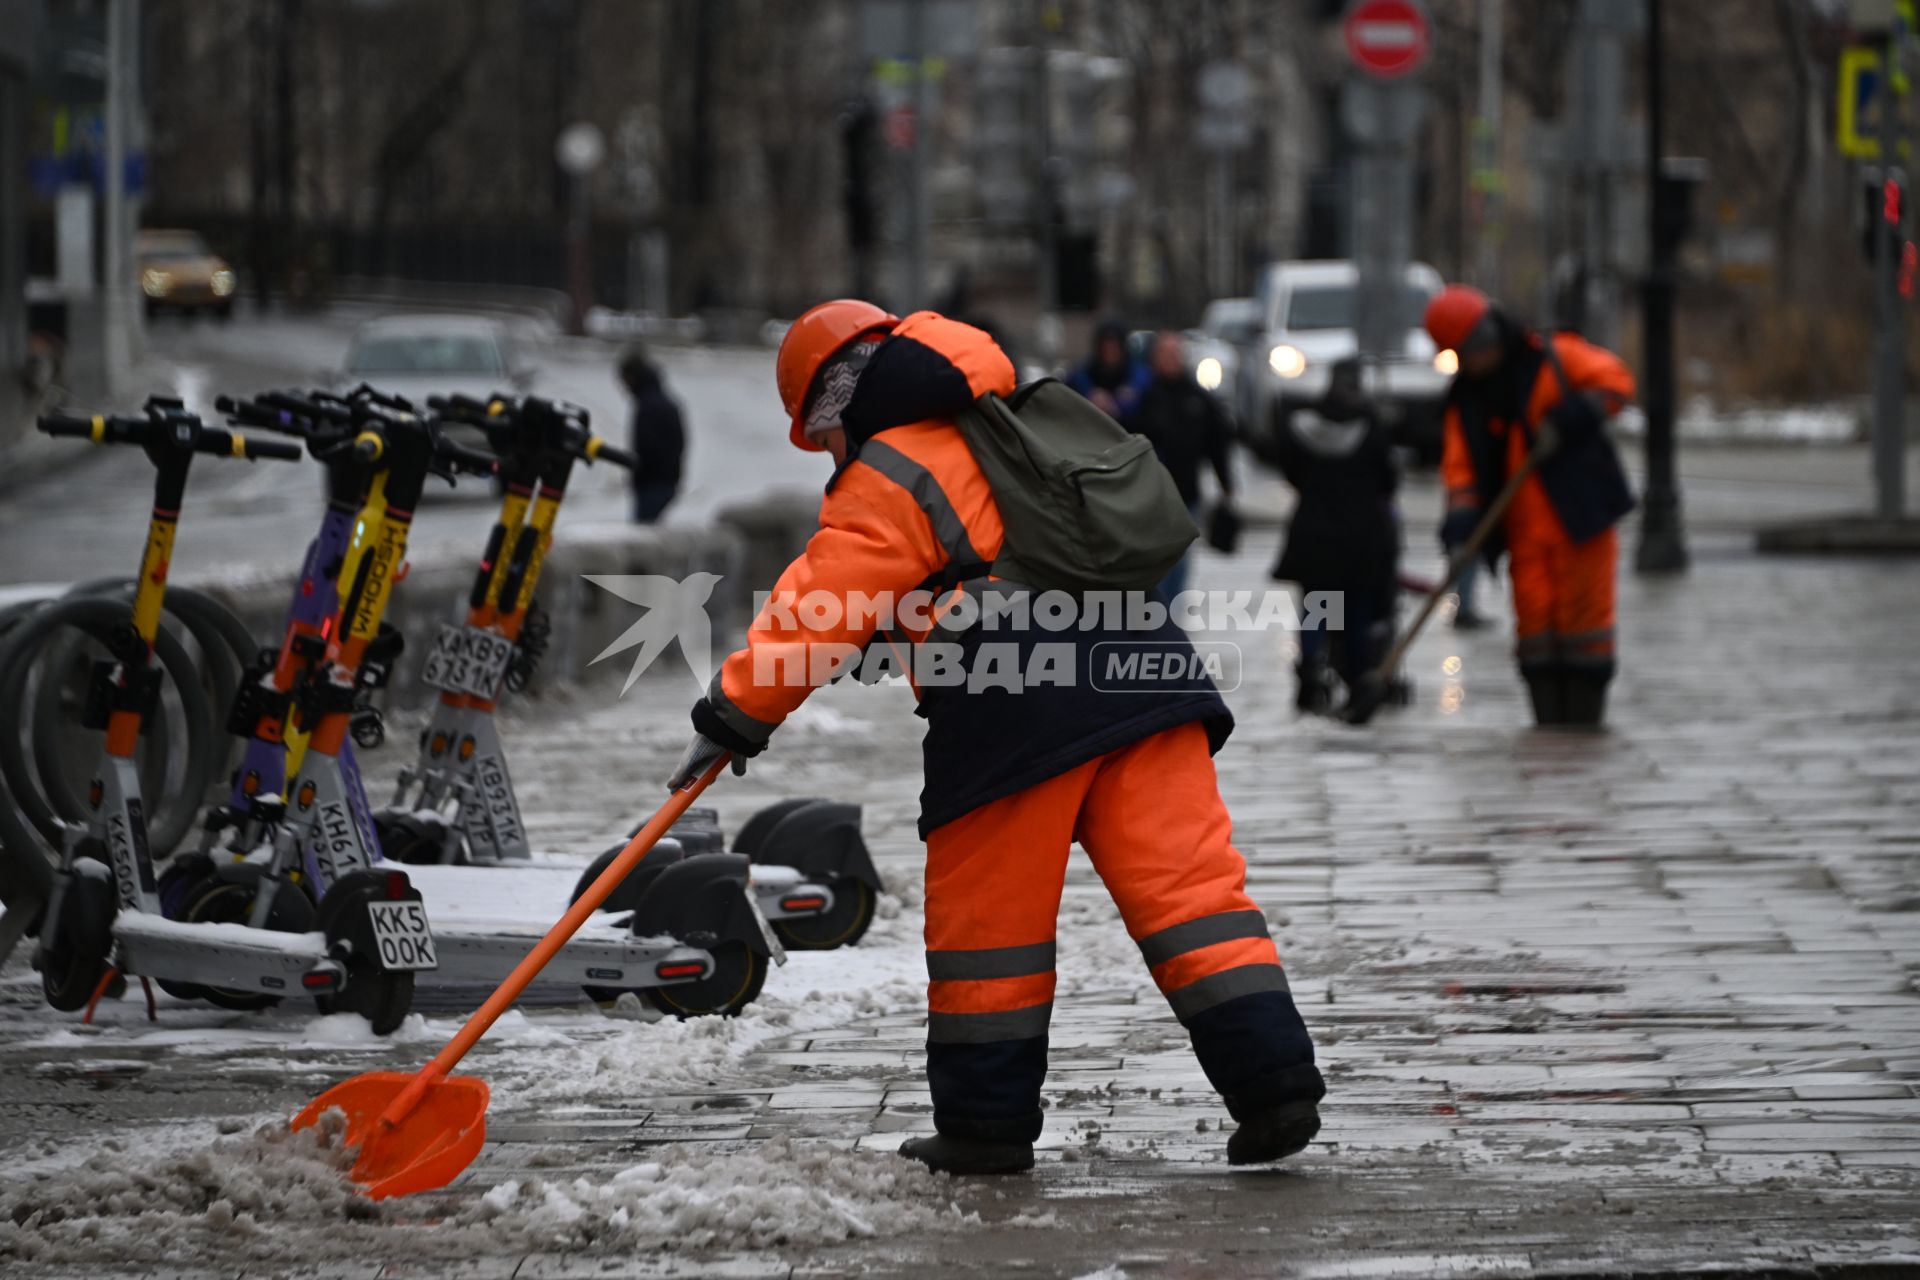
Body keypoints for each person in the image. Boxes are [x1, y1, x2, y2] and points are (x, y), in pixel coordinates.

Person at [667, 300, 1325, 1176]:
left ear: (835, 402)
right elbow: (992, 557)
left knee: (990, 926)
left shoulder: (892, 467)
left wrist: (731, 716)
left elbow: (814, 610)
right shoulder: (1018, 420)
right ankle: (1277, 1086)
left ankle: (985, 1124)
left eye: (822, 435)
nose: (829, 453)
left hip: (1016, 716)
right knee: (1194, 896)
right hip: (1147, 680)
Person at [1424, 285, 1636, 727]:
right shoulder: (1467, 400)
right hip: (1523, 530)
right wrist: (1460, 529)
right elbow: (1461, 472)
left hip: (1581, 517)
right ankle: (1547, 718)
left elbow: (1616, 382)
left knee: (1585, 617)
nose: (1474, 361)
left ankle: (1584, 717)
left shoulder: (1555, 357)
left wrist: (1569, 420)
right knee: (1535, 623)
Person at [1269, 358, 1400, 713]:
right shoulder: (1371, 426)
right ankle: (1357, 677)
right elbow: (1387, 479)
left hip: (1315, 531)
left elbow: (1291, 470)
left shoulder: (1303, 425)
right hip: (1360, 535)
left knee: (1316, 607)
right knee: (1356, 608)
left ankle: (1311, 672)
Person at [1129, 331, 1236, 601]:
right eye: (1165, 354)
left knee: (1181, 565)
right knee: (1157, 565)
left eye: (1175, 353)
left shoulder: (1197, 398)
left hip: (1186, 493)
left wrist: (1226, 483)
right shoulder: (1144, 397)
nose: (1171, 359)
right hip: (1150, 497)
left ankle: (1169, 620)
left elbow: (1217, 441)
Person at [620, 345, 685, 523]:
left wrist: (638, 472)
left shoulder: (647, 406)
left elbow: (646, 448)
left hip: (652, 483)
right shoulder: (665, 401)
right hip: (667, 481)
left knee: (641, 529)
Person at [1066, 318, 1152, 421]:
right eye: (1106, 346)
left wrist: (1117, 404)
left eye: (1114, 346)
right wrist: (1091, 394)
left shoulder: (1138, 372)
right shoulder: (1085, 370)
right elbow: (1076, 378)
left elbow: (1141, 384)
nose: (1110, 351)